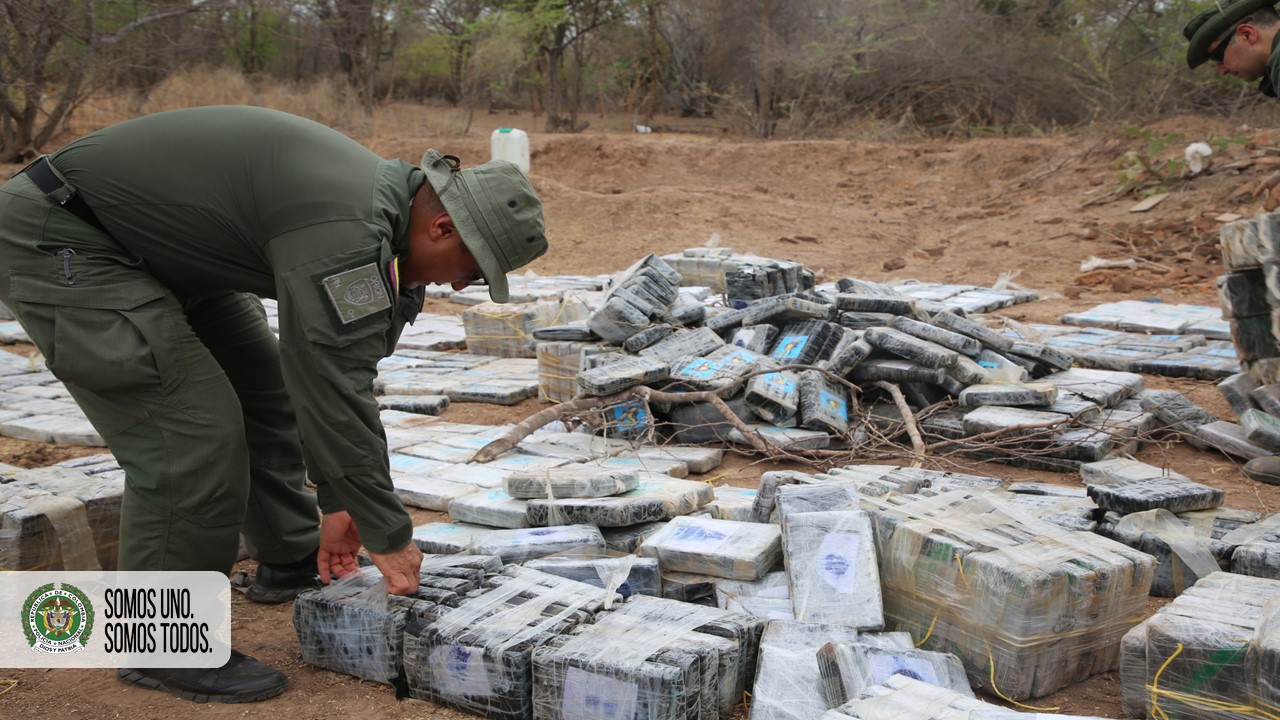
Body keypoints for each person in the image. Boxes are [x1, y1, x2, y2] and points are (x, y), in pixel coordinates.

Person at [0, 106, 547, 701]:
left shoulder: (385, 219)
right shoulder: (346, 231)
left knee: (263, 391)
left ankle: (288, 556)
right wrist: (386, 531)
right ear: (441, 227)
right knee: (191, 435)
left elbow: (341, 372)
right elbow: (331, 379)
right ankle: (160, 645)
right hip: (69, 238)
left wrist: (342, 501)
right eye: (472, 269)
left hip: (162, 254)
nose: (461, 286)